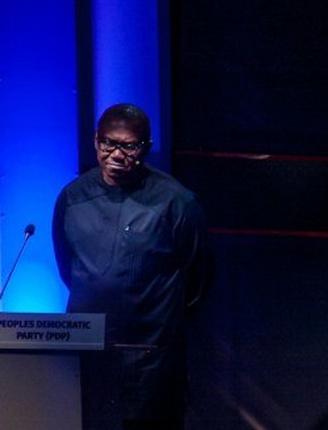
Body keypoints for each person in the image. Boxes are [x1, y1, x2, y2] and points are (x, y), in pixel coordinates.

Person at [52, 103, 210, 429]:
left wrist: (159, 320)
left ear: (146, 148)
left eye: (129, 145)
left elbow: (198, 277)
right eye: (108, 143)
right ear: (96, 141)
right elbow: (68, 268)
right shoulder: (72, 197)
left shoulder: (176, 201)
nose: (116, 154)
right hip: (88, 350)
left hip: (151, 355)